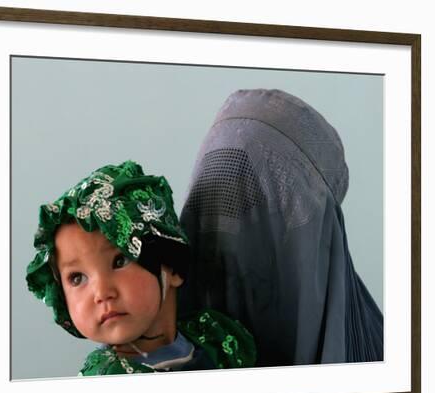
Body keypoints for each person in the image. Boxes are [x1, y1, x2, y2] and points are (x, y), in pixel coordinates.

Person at [178, 89, 384, 366]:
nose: (228, 228)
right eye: (214, 199)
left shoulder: (398, 365)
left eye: (257, 199)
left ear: (321, 228)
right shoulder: (153, 357)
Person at [26, 160, 257, 375]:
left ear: (171, 266)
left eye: (119, 261)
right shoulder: (105, 384)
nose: (102, 293)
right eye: (77, 278)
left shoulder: (216, 339)